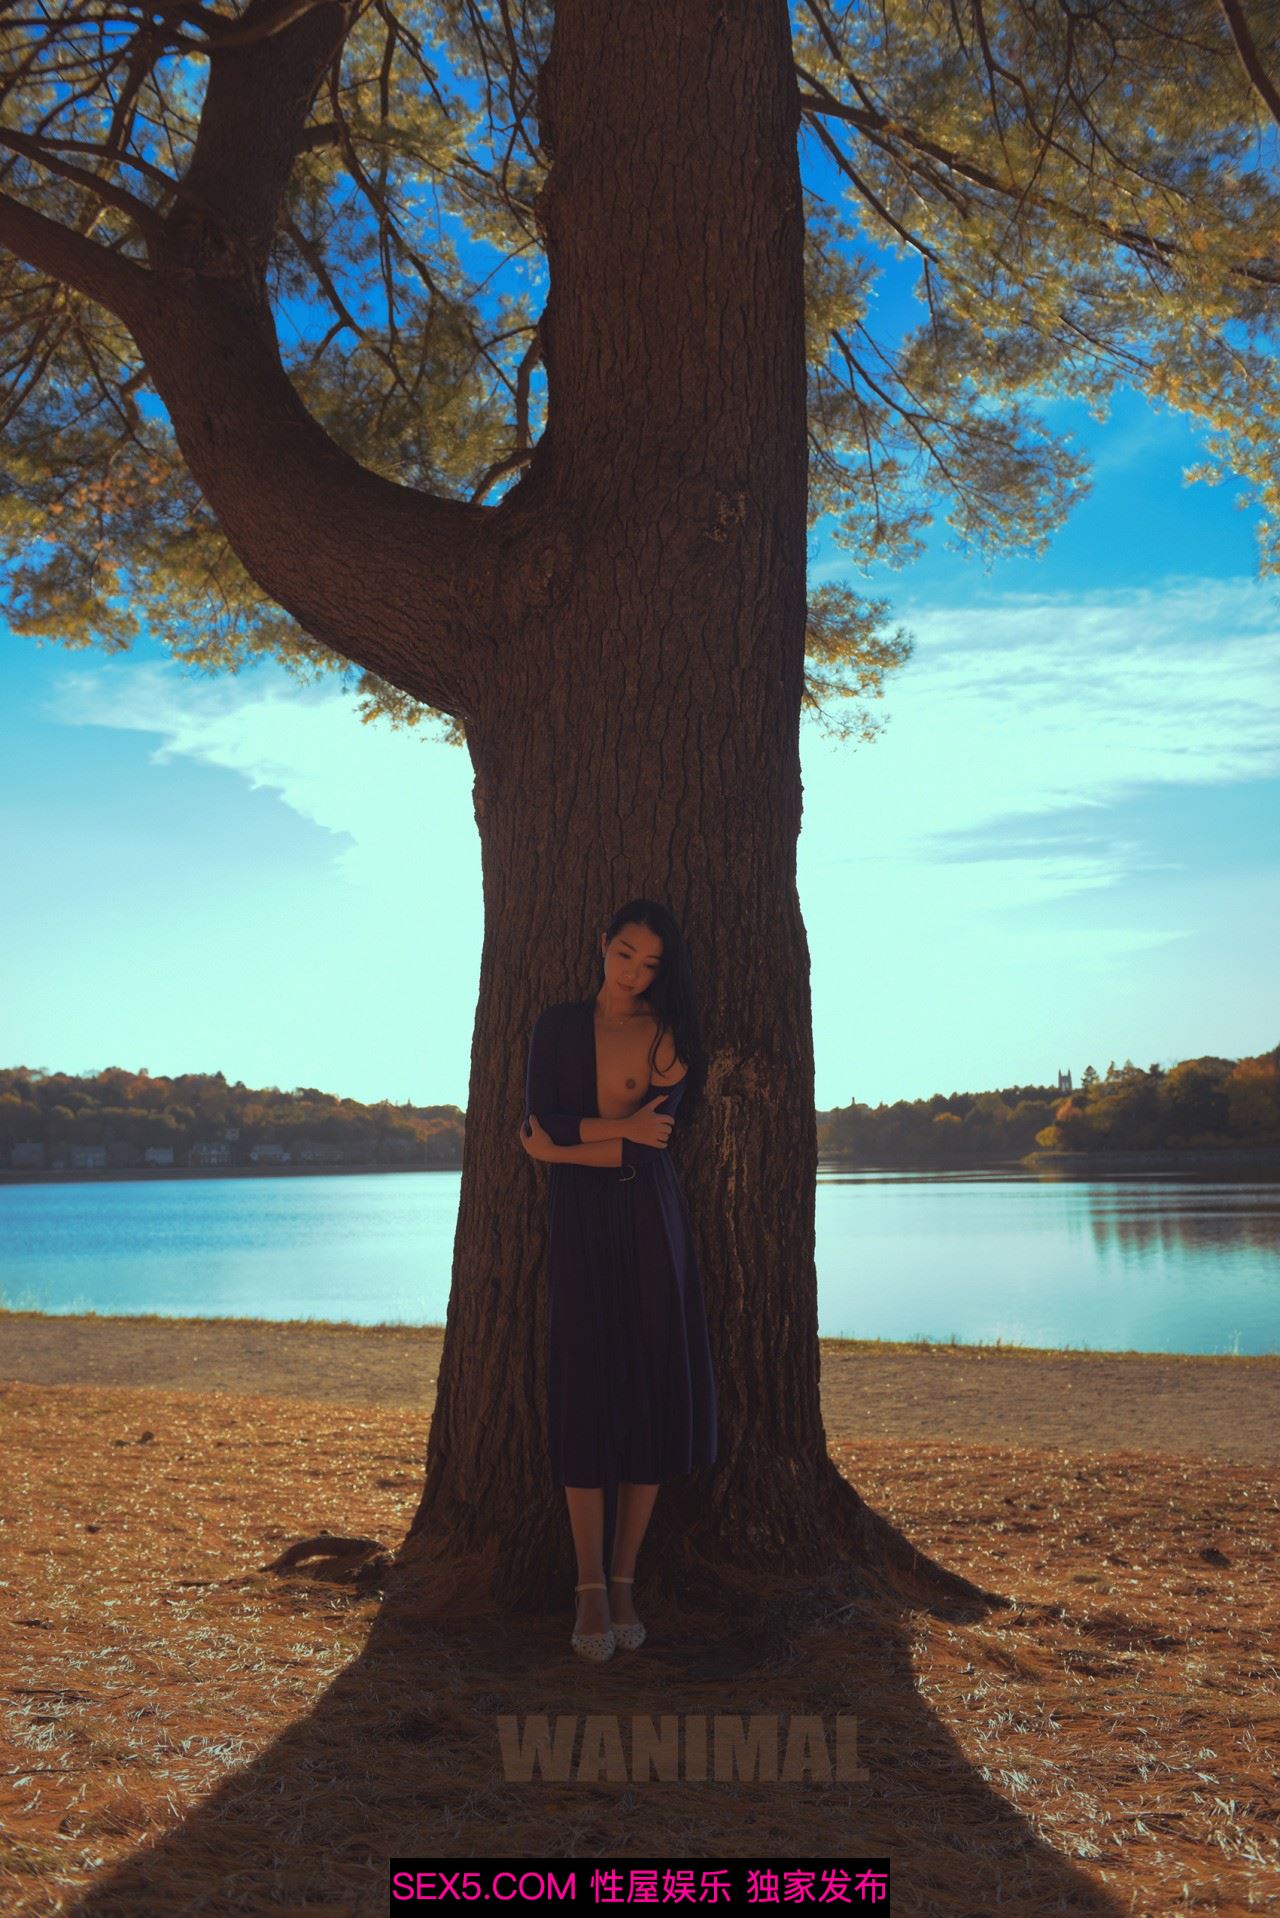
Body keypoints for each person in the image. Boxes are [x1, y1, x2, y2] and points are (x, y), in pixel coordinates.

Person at [519, 899, 718, 1662]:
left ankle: (626, 1579)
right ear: (602, 943)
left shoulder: (668, 1038)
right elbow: (542, 1119)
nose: (633, 972)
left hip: (647, 1222)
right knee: (585, 1393)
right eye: (625, 953)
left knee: (648, 1395)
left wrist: (563, 1151)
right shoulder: (557, 1026)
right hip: (579, 1225)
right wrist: (609, 1131)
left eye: (650, 964)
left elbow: (645, 1148)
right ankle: (589, 1587)